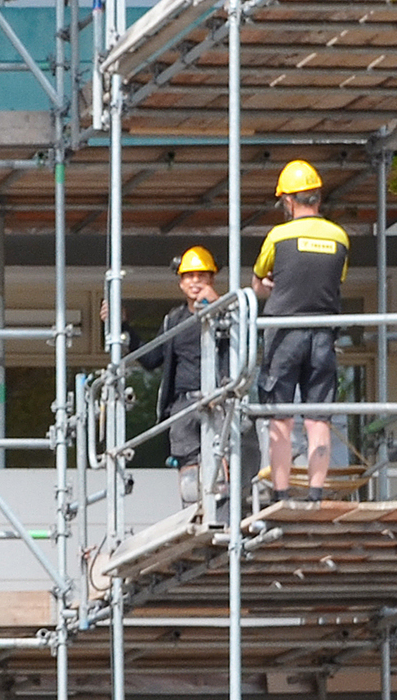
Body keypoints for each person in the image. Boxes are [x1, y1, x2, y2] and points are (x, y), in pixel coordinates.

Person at [102, 246, 229, 509]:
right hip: (182, 404)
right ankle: (193, 515)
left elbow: (241, 344)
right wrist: (123, 328)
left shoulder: (227, 315)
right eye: (189, 276)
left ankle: (223, 516)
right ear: (181, 282)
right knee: (188, 467)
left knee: (219, 460)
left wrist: (217, 306)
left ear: (212, 279)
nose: (195, 282)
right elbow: (152, 359)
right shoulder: (174, 320)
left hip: (218, 399)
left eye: (201, 276)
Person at [252, 160, 349, 503]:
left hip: (284, 334)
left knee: (280, 419)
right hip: (323, 334)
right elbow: (334, 282)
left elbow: (259, 281)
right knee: (317, 419)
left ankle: (280, 494)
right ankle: (316, 492)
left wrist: (270, 284)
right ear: (317, 198)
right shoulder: (339, 237)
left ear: (289, 202)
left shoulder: (279, 235)